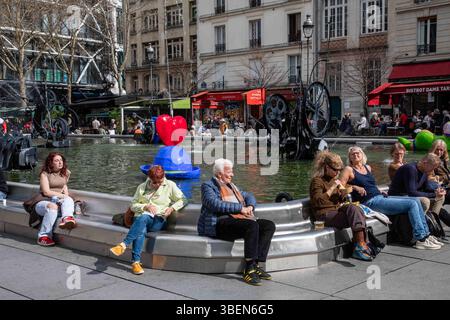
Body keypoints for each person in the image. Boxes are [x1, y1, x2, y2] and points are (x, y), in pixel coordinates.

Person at [340, 146, 443, 250]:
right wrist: (354, 187)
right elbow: (340, 187)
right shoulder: (348, 169)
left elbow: (370, 185)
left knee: (416, 200)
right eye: (353, 154)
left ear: (362, 155)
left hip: (380, 196)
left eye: (358, 153)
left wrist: (378, 190)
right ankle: (420, 238)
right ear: (349, 157)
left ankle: (426, 235)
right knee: (411, 204)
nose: (356, 155)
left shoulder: (367, 167)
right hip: (369, 201)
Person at [198, 158, 276, 286]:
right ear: (219, 174)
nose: (232, 174)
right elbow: (215, 204)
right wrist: (241, 208)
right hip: (218, 224)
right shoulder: (207, 186)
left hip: (236, 220)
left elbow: (248, 195)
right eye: (229, 171)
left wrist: (250, 206)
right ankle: (249, 268)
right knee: (251, 225)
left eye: (232, 171)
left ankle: (257, 265)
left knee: (268, 225)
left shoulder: (232, 186)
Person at [110, 166, 188, 275]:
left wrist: (171, 208)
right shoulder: (142, 187)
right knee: (141, 227)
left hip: (157, 220)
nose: (157, 185)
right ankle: (135, 263)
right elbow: (133, 205)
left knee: (143, 218)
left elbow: (183, 199)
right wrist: (145, 207)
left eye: (160, 182)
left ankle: (123, 245)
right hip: (140, 219)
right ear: (149, 178)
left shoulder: (170, 185)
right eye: (154, 182)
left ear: (164, 176)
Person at [309, 151, 372, 261]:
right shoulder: (317, 181)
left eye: (339, 170)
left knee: (355, 208)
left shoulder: (334, 180)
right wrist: (333, 187)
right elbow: (317, 202)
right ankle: (361, 245)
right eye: (334, 169)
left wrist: (350, 189)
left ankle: (360, 245)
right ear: (326, 167)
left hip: (336, 210)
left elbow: (340, 196)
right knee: (356, 215)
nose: (337, 173)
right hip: (323, 215)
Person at [35, 152, 77, 246]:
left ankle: (66, 218)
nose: (60, 162)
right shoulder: (44, 174)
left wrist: (66, 199)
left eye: (61, 160)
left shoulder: (66, 173)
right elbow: (46, 192)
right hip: (44, 202)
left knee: (68, 199)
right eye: (57, 160)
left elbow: (64, 186)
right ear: (51, 163)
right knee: (53, 206)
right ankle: (43, 236)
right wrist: (64, 197)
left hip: (58, 201)